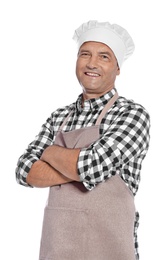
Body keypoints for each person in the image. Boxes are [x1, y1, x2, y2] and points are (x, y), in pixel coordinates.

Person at [15, 20, 150, 260]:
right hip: (58, 248)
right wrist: (82, 165)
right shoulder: (59, 116)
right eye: (84, 54)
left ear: (118, 68)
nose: (92, 63)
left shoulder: (132, 115)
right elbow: (24, 171)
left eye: (104, 57)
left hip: (111, 249)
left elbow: (90, 166)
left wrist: (50, 152)